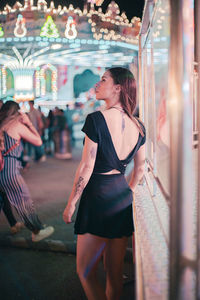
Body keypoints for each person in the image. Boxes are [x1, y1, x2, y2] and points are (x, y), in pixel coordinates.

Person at [63, 67, 146, 300]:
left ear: (118, 88)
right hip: (121, 197)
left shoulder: (96, 119)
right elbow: (140, 169)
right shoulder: (139, 126)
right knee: (115, 274)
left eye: (103, 80)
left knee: (85, 271)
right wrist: (124, 193)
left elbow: (87, 165)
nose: (96, 85)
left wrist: (71, 204)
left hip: (97, 197)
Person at [0, 101, 54, 242]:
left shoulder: (1, 125)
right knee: (23, 201)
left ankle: (37, 228)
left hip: (1, 170)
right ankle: (37, 231)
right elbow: (38, 141)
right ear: (17, 112)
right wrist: (29, 123)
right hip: (10, 169)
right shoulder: (15, 125)